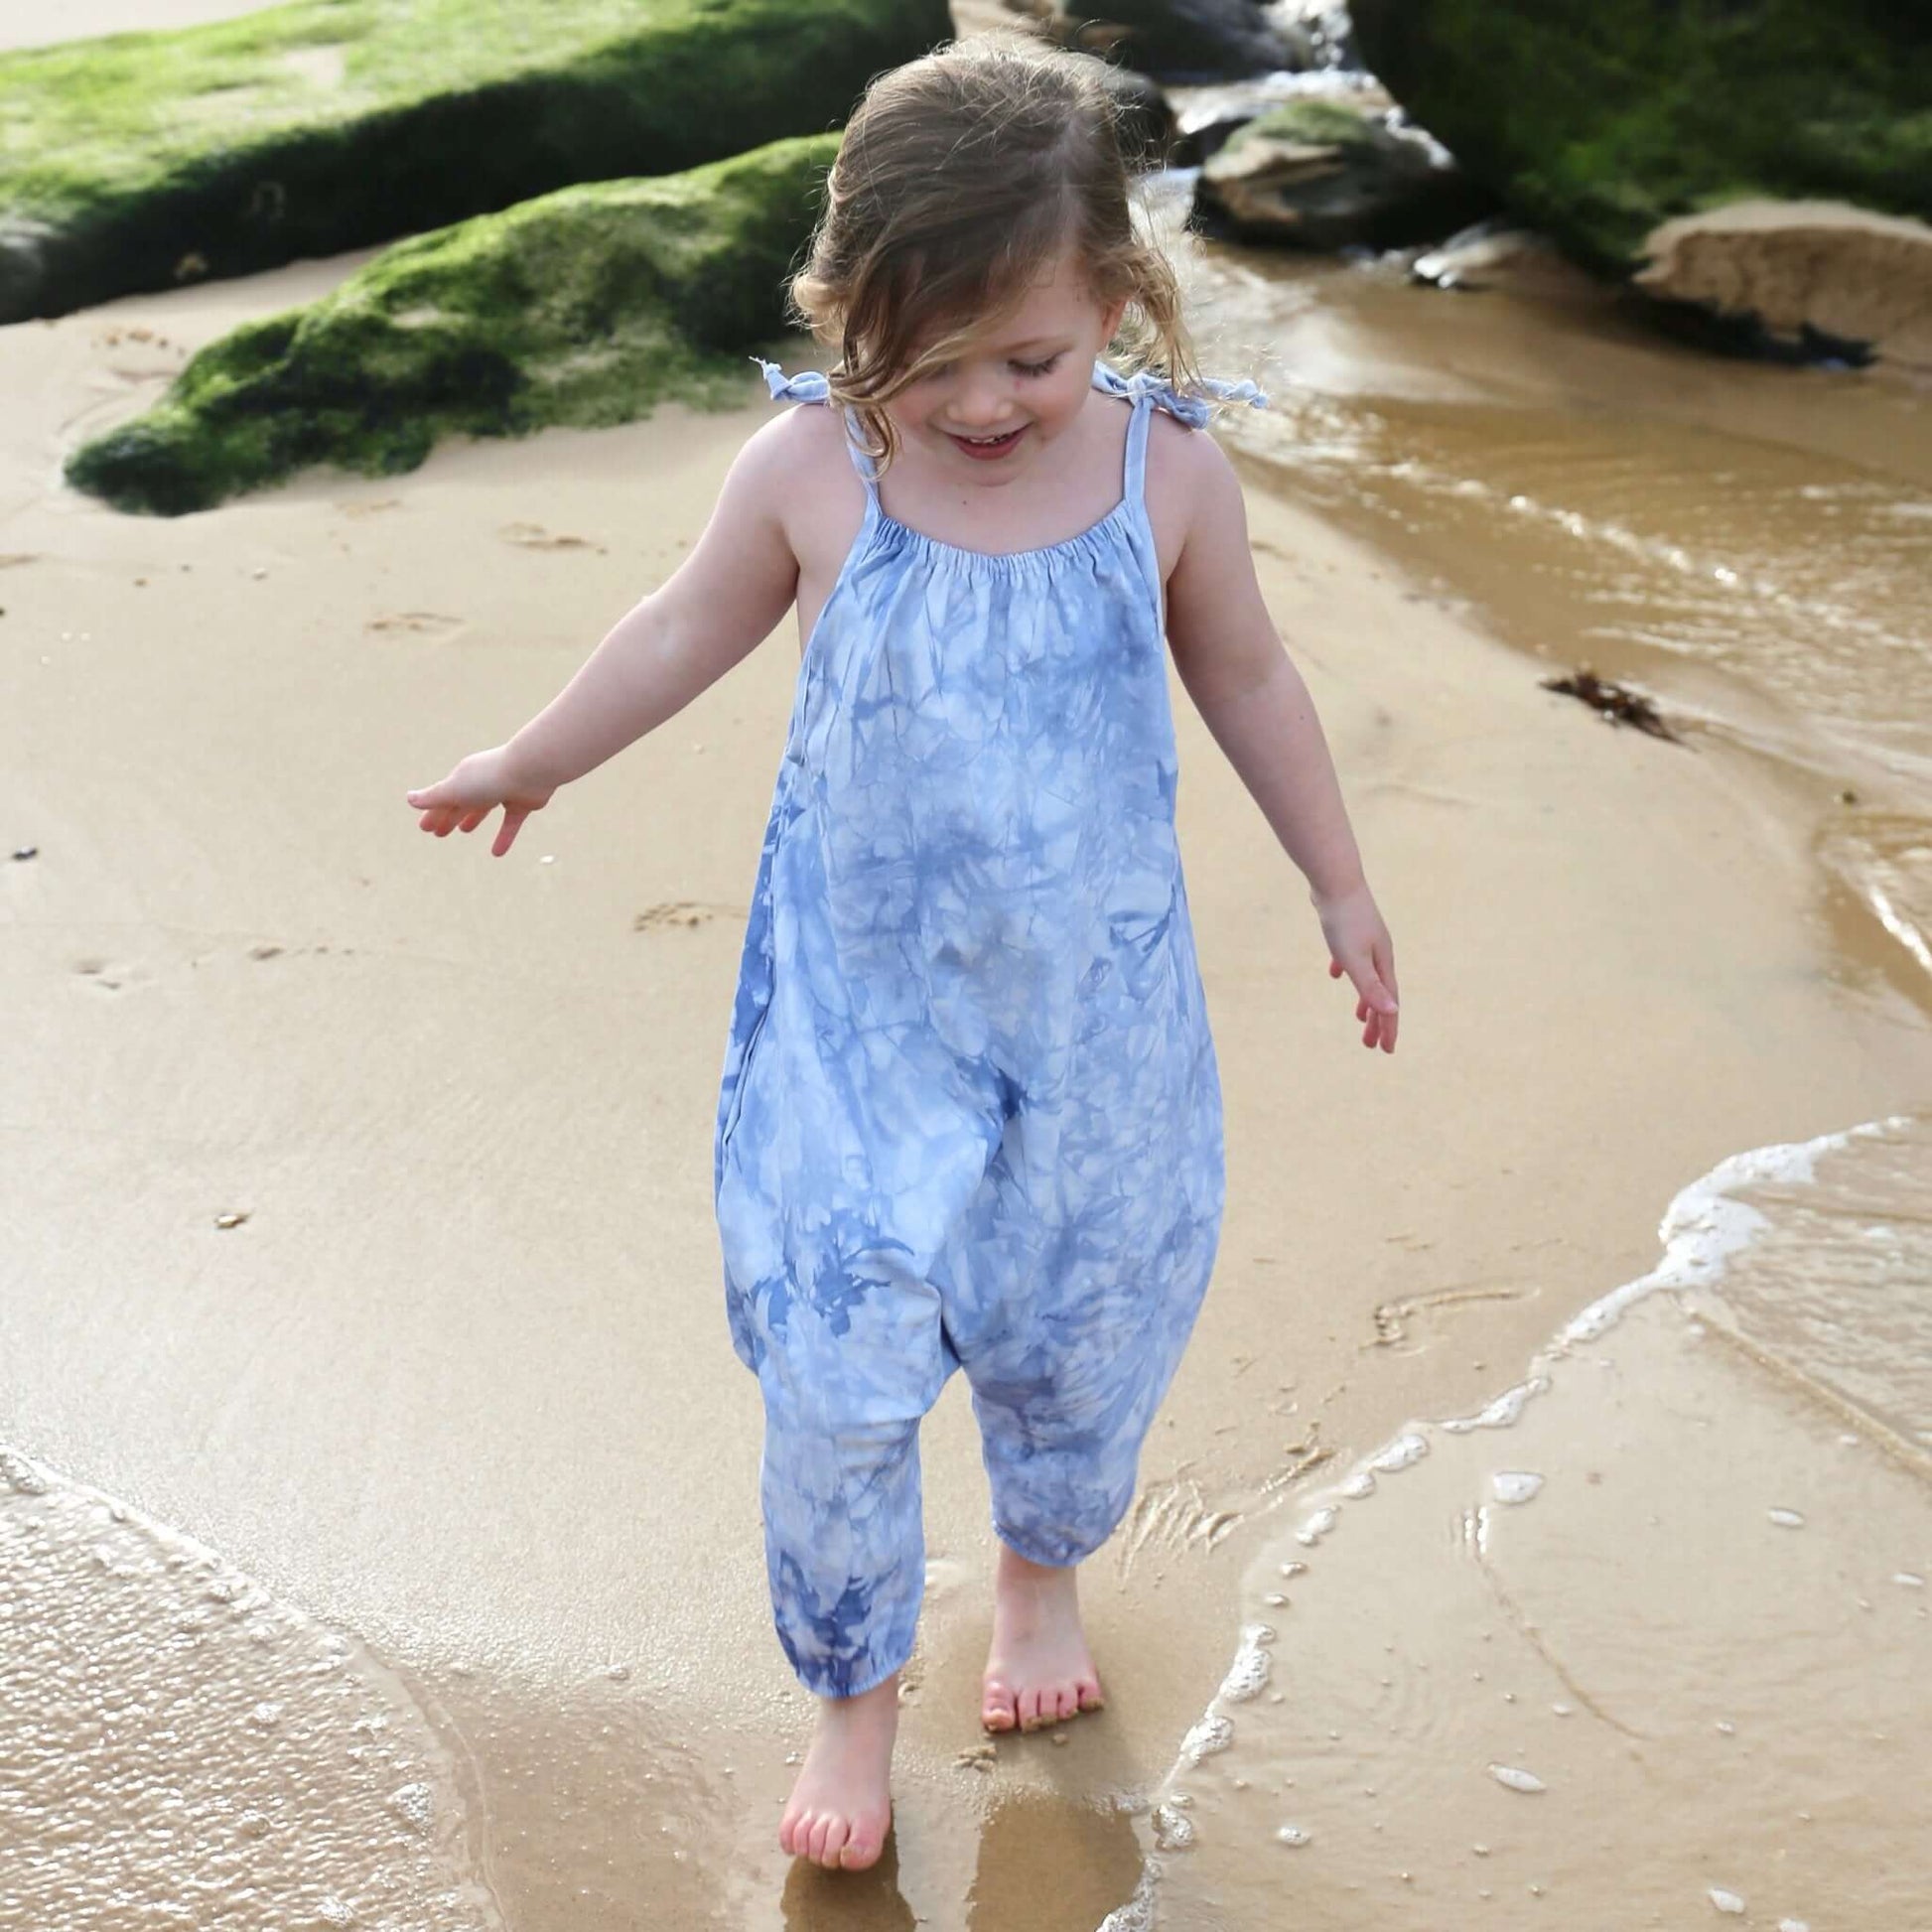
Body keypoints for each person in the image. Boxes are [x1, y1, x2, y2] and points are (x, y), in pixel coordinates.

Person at [404, 34, 1398, 1877]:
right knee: (839, 1369)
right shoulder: (811, 467)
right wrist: (527, 758)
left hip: (1093, 1030)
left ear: (1116, 294)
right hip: (856, 1033)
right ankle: (850, 1693)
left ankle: (1037, 1582)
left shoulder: (1164, 475)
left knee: (1078, 1331)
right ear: (845, 311)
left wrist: (1337, 884)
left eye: (1026, 357)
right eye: (923, 362)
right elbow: (678, 625)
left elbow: (1247, 671)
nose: (982, 403)